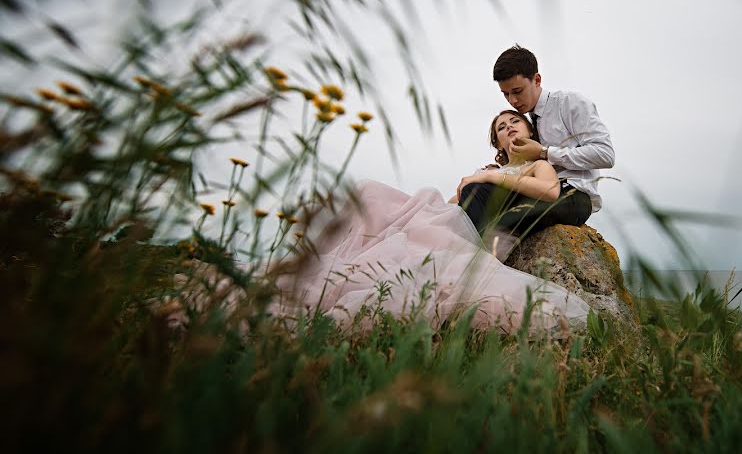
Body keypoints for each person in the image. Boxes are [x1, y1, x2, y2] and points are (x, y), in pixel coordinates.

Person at [259, 109, 592, 334]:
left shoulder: (534, 165)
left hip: (468, 236)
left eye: (514, 123)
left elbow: (549, 191)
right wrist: (472, 183)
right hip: (450, 219)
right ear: (499, 144)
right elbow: (455, 205)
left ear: (530, 131)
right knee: (370, 194)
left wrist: (491, 181)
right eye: (502, 129)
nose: (509, 129)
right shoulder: (487, 171)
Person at [458, 45, 614, 244]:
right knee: (476, 192)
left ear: (537, 80)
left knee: (497, 217)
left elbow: (606, 154)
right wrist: (494, 171)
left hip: (571, 196)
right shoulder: (526, 121)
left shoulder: (569, 103)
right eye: (505, 94)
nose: (512, 100)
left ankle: (481, 258)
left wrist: (544, 152)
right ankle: (470, 259)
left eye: (517, 91)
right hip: (533, 191)